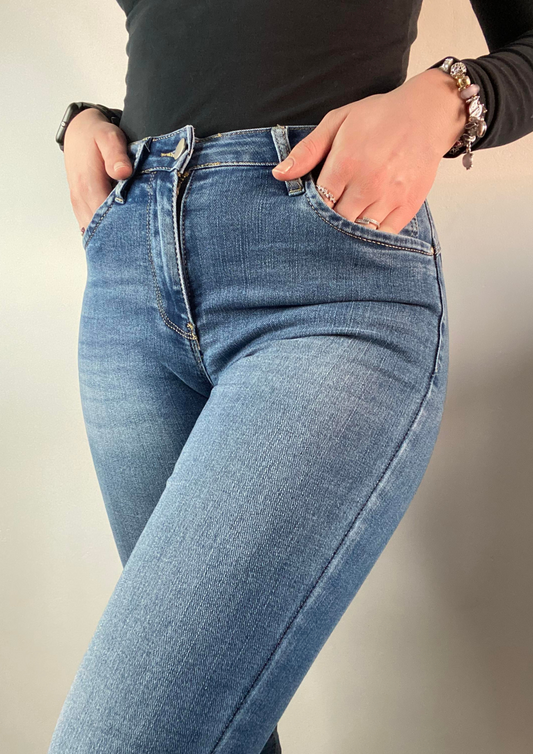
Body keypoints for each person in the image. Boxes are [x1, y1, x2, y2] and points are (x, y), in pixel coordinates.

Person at [49, 0, 533, 751]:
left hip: (323, 281)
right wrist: (81, 123)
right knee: (207, 720)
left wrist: (449, 98)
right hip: (127, 284)